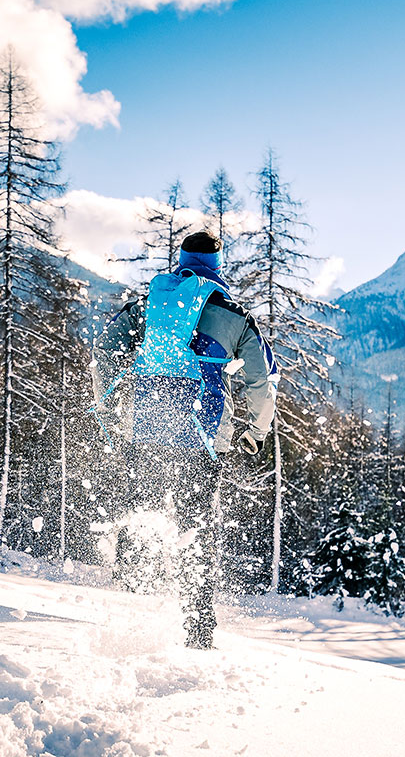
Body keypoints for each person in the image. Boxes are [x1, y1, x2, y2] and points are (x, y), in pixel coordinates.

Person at [91, 231, 277, 649]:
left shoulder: (148, 305)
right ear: (218, 262)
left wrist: (109, 413)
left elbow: (102, 352)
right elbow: (261, 382)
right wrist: (255, 433)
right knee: (196, 530)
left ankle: (126, 612)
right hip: (201, 438)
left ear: (181, 258)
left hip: (145, 430)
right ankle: (198, 630)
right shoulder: (234, 315)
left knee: (140, 518)